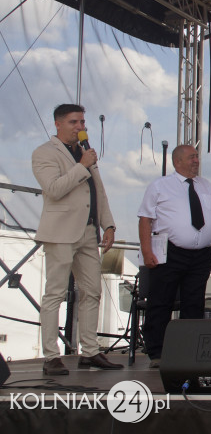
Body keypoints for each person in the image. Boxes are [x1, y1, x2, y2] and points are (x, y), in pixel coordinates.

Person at [32, 103, 122, 375]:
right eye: (74, 122)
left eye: (82, 122)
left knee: (92, 291)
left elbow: (98, 191)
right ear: (58, 124)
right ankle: (51, 355)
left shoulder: (84, 153)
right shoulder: (44, 153)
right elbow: (54, 189)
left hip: (87, 231)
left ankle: (90, 351)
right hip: (60, 231)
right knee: (55, 293)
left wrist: (108, 224)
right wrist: (82, 166)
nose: (80, 127)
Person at [139, 144, 211, 368]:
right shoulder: (160, 186)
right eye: (192, 157)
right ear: (177, 162)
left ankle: (189, 349)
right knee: (161, 300)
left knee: (194, 302)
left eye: (197, 157)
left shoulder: (206, 185)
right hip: (169, 252)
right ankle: (158, 352)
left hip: (201, 255)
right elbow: (145, 219)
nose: (196, 160)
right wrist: (147, 251)